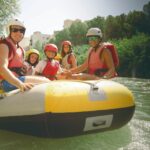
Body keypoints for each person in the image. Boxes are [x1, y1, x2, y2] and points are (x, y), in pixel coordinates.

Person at [0, 19, 50, 92]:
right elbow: (2, 68)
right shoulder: (4, 45)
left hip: (16, 79)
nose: (18, 33)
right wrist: (20, 84)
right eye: (15, 30)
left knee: (44, 80)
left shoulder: (21, 50)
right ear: (9, 31)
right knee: (45, 81)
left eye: (21, 31)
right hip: (5, 83)